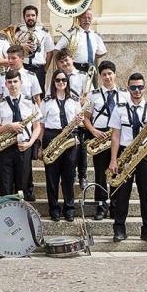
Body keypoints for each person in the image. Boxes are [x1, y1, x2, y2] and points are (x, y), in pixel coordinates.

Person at [108, 73, 147, 244]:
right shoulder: (119, 108)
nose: (137, 90)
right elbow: (115, 136)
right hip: (125, 153)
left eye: (140, 87)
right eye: (133, 87)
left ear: (145, 88)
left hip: (146, 154)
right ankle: (119, 229)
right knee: (121, 194)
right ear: (128, 89)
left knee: (146, 194)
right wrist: (113, 160)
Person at [83, 60, 128, 220]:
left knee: (117, 172)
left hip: (119, 136)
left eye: (110, 73)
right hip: (101, 136)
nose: (107, 77)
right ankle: (101, 206)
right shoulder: (93, 95)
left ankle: (116, 206)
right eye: (104, 74)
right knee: (101, 173)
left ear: (115, 74)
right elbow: (86, 118)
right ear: (100, 77)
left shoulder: (125, 94)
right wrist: (93, 130)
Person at [38, 69, 82, 222]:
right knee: (52, 176)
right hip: (52, 136)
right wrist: (40, 146)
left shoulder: (74, 100)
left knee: (69, 176)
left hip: (70, 136)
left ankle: (69, 209)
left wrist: (78, 122)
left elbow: (80, 121)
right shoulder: (46, 100)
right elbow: (41, 125)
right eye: (58, 80)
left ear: (67, 82)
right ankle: (54, 209)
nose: (61, 83)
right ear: (53, 82)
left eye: (64, 80)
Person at [0, 70, 41, 197]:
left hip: (24, 146)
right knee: (5, 185)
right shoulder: (0, 105)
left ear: (21, 83)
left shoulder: (30, 102)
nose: (13, 85)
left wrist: (30, 143)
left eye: (15, 82)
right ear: (6, 84)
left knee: (22, 185)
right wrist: (9, 126)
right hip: (5, 147)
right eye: (9, 82)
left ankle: (21, 215)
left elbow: (37, 127)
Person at [55, 48, 93, 189]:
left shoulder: (83, 76)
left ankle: (82, 175)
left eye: (66, 60)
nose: (65, 63)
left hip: (79, 117)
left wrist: (84, 101)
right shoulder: (57, 77)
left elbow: (90, 95)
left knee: (81, 148)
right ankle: (69, 175)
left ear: (72, 58)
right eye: (61, 61)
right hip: (63, 117)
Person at [14, 5, 55, 96]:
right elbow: (11, 50)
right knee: (22, 94)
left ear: (36, 17)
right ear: (24, 17)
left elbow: (50, 52)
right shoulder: (18, 32)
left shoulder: (44, 32)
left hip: (39, 69)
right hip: (22, 67)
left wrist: (44, 69)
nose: (30, 18)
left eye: (33, 15)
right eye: (28, 15)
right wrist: (21, 47)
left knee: (39, 95)